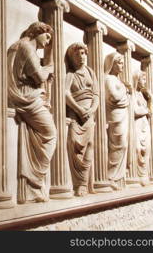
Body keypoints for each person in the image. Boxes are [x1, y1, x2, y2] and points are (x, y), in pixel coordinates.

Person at [7, 21, 56, 204]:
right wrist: (49, 68)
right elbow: (39, 75)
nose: (48, 41)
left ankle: (33, 181)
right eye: (47, 36)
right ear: (37, 32)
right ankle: (36, 176)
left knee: (40, 134)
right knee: (51, 133)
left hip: (23, 94)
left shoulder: (18, 46)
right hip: (27, 97)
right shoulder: (27, 47)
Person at [65, 43, 99, 197]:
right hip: (76, 115)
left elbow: (96, 94)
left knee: (90, 145)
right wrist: (79, 110)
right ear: (72, 57)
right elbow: (66, 94)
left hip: (89, 115)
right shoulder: (70, 75)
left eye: (83, 53)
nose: (82, 57)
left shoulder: (91, 73)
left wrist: (91, 110)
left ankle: (83, 184)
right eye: (78, 54)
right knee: (74, 144)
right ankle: (77, 182)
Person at [104, 52, 131, 190]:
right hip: (114, 116)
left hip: (122, 115)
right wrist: (125, 91)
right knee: (117, 145)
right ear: (112, 64)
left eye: (122, 63)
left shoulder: (118, 80)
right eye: (119, 63)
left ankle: (116, 177)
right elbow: (114, 96)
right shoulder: (108, 79)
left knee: (123, 145)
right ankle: (110, 176)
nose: (122, 65)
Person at [133, 70, 151, 186]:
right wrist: (146, 110)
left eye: (145, 79)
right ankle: (138, 176)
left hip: (145, 124)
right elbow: (135, 111)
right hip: (138, 124)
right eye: (143, 79)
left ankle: (144, 175)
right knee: (138, 149)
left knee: (147, 150)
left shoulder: (142, 96)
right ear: (137, 79)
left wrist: (150, 99)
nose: (144, 81)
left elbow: (150, 113)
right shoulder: (134, 94)